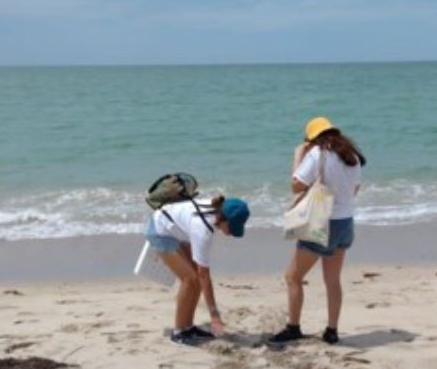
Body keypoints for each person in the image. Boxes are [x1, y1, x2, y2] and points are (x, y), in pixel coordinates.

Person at [270, 117, 366, 345]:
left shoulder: (317, 155)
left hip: (323, 223)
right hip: (345, 223)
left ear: (313, 139)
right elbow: (355, 190)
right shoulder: (352, 156)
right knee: (332, 280)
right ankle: (332, 331)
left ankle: (293, 328)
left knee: (293, 277)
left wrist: (298, 157)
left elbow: (296, 185)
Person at [147, 191, 250, 345]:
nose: (230, 234)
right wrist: (214, 316)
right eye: (232, 228)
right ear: (223, 218)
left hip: (178, 232)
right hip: (160, 232)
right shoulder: (202, 229)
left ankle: (188, 327)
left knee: (196, 280)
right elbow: (205, 276)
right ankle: (179, 331)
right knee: (190, 280)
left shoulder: (214, 209)